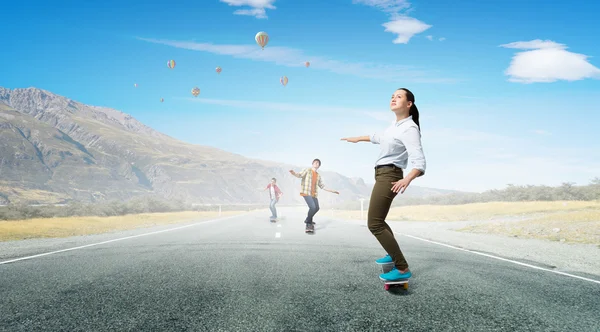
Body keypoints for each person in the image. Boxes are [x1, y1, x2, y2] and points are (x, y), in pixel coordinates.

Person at [340, 88, 426, 282]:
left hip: (390, 175)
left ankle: (402, 267)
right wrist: (357, 139)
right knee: (380, 219)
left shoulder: (409, 129)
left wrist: (407, 179)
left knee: (374, 223)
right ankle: (392, 252)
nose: (393, 99)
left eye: (399, 96)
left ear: (409, 104)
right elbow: (377, 137)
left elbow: (420, 163)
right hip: (382, 174)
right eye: (392, 96)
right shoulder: (394, 126)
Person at [289, 158, 340, 232]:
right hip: (306, 192)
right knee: (312, 207)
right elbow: (299, 175)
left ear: (319, 166)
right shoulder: (307, 170)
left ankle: (308, 219)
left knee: (317, 208)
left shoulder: (318, 175)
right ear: (312, 164)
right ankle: (308, 225)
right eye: (315, 162)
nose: (316, 164)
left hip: (313, 194)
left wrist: (332, 191)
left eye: (318, 163)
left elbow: (322, 186)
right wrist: (293, 173)